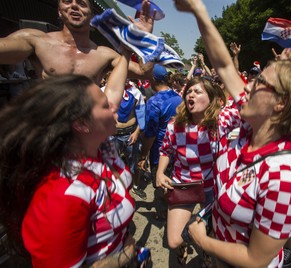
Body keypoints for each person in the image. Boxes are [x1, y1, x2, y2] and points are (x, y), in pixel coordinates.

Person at [173, 1, 291, 267]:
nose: (246, 88)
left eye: (259, 82)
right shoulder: (249, 127)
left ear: (280, 103)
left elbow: (256, 259)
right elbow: (223, 66)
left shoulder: (285, 177)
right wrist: (199, 11)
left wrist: (203, 240)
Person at [0, 75, 140, 267]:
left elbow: (114, 90)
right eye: (106, 106)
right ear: (81, 124)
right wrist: (123, 256)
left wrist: (124, 52)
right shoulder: (64, 195)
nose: (115, 107)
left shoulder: (102, 148)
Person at [0, 0, 155, 104]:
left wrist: (145, 39)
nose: (74, 5)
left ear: (92, 15)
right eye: (67, 1)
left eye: (81, 3)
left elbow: (144, 72)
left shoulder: (104, 55)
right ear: (60, 11)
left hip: (86, 136)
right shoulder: (36, 41)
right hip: (46, 133)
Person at [156, 77, 240, 266]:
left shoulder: (222, 122)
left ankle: (206, 250)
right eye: (189, 92)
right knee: (174, 240)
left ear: (211, 98)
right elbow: (165, 151)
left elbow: (249, 109)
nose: (191, 95)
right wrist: (160, 173)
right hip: (183, 185)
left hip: (212, 188)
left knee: (210, 233)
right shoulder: (174, 126)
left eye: (198, 91)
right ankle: (188, 238)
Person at [138, 64, 182, 218]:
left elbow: (150, 134)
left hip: (160, 151)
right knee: (172, 180)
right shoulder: (178, 97)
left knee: (160, 180)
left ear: (152, 79)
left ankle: (163, 214)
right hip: (177, 149)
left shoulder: (154, 102)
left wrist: (143, 156)